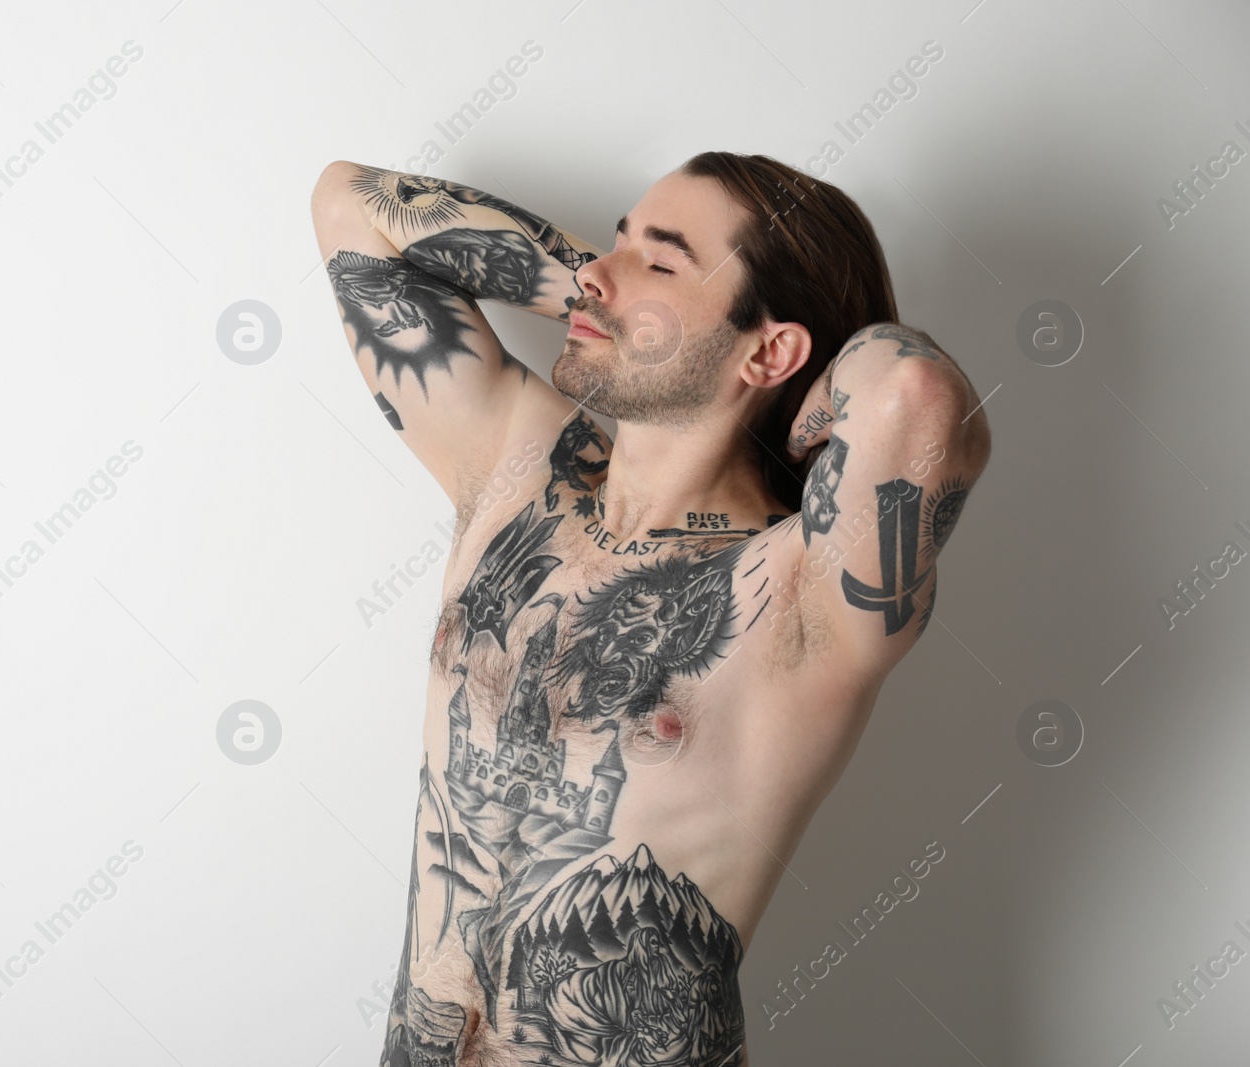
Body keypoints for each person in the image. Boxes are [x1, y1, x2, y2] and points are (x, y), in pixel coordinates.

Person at [310, 152, 991, 1067]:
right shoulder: (517, 466)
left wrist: (805, 387)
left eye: (660, 260)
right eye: (616, 242)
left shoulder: (797, 590)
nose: (597, 269)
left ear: (772, 350)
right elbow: (352, 204)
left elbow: (918, 395)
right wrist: (617, 301)